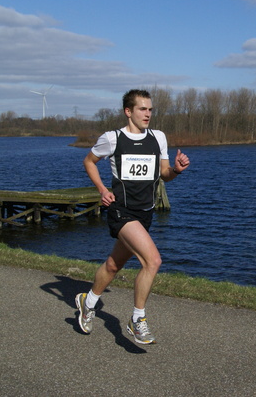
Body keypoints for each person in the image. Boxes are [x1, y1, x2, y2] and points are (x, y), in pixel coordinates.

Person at [75, 89, 190, 344]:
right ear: (129, 111)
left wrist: (177, 170)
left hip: (145, 213)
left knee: (114, 265)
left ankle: (88, 301)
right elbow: (89, 161)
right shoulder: (112, 138)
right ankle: (137, 320)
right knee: (153, 261)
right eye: (142, 109)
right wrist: (103, 190)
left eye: (150, 109)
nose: (148, 114)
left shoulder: (158, 137)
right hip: (121, 211)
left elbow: (164, 174)